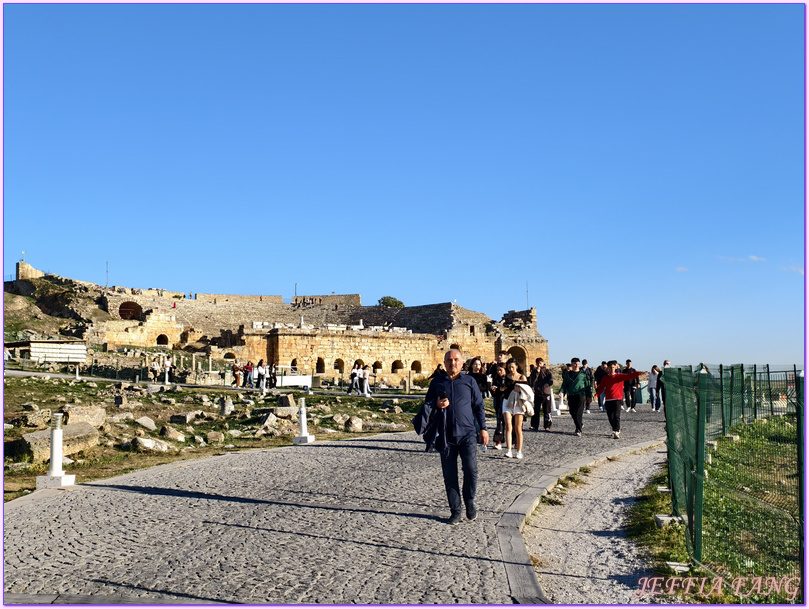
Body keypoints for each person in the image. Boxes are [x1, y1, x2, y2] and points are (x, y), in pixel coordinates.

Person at [417, 349, 488, 525]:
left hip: (468, 434)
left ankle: (469, 500)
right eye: (449, 360)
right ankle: (455, 510)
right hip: (446, 434)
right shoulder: (437, 382)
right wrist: (436, 404)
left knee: (471, 470)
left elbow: (479, 406)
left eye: (456, 360)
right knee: (450, 475)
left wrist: (484, 429)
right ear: (445, 362)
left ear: (462, 363)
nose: (453, 363)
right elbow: (427, 404)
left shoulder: (469, 381)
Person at [596, 360, 645, 439]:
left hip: (617, 399)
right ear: (608, 368)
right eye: (610, 368)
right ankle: (614, 429)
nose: (612, 369)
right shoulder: (605, 378)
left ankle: (616, 430)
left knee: (616, 415)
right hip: (608, 400)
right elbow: (601, 388)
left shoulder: (619, 376)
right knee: (610, 417)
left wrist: (638, 374)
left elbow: (629, 376)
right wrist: (596, 395)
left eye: (613, 367)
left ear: (615, 367)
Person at [502, 358, 531, 458]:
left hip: (518, 403)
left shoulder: (522, 377)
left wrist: (519, 390)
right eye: (509, 367)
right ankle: (508, 450)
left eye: (512, 367)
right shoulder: (505, 378)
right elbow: (503, 390)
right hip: (507, 402)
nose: (511, 369)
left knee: (518, 428)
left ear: (516, 367)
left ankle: (519, 451)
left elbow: (527, 391)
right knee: (508, 426)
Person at [559, 358, 591, 437]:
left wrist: (589, 396)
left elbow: (588, 385)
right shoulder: (568, 374)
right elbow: (564, 385)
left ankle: (578, 429)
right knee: (572, 412)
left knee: (578, 412)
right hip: (571, 395)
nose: (576, 365)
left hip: (580, 395)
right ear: (572, 364)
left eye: (578, 364)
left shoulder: (583, 374)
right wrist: (561, 391)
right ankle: (580, 423)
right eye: (575, 364)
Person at [530, 358, 553, 431]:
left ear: (543, 363)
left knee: (547, 410)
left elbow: (551, 380)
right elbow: (532, 380)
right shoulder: (534, 372)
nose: (539, 365)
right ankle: (534, 425)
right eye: (537, 363)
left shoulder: (547, 371)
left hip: (546, 393)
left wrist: (547, 384)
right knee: (536, 410)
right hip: (537, 392)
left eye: (540, 363)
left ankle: (547, 426)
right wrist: (537, 373)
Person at [490, 363, 508, 450]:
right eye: (497, 370)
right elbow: (494, 392)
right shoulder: (496, 379)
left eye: (500, 370)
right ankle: (498, 441)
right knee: (499, 422)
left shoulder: (508, 378)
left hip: (508, 403)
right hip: (499, 402)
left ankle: (514, 441)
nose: (499, 372)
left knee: (509, 423)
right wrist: (494, 390)